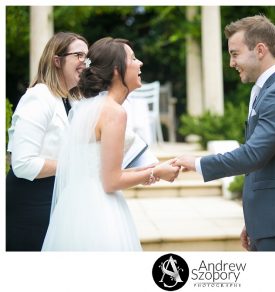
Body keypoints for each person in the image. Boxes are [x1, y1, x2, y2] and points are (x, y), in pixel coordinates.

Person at [174, 15, 275, 251]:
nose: (231, 63)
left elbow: (253, 155)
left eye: (235, 54)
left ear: (259, 50)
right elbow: (265, 164)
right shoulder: (265, 90)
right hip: (272, 221)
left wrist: (198, 163)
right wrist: (256, 221)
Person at [42, 37, 180, 251]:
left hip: (75, 206)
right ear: (117, 70)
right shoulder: (114, 112)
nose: (140, 63)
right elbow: (111, 180)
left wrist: (154, 167)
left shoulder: (90, 108)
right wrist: (157, 174)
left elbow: (103, 169)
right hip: (99, 209)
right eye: (133, 58)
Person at [6, 32, 89, 251]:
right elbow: (22, 164)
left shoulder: (72, 100)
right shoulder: (39, 97)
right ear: (57, 60)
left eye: (86, 57)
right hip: (31, 204)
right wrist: (75, 164)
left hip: (57, 198)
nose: (85, 62)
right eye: (79, 55)